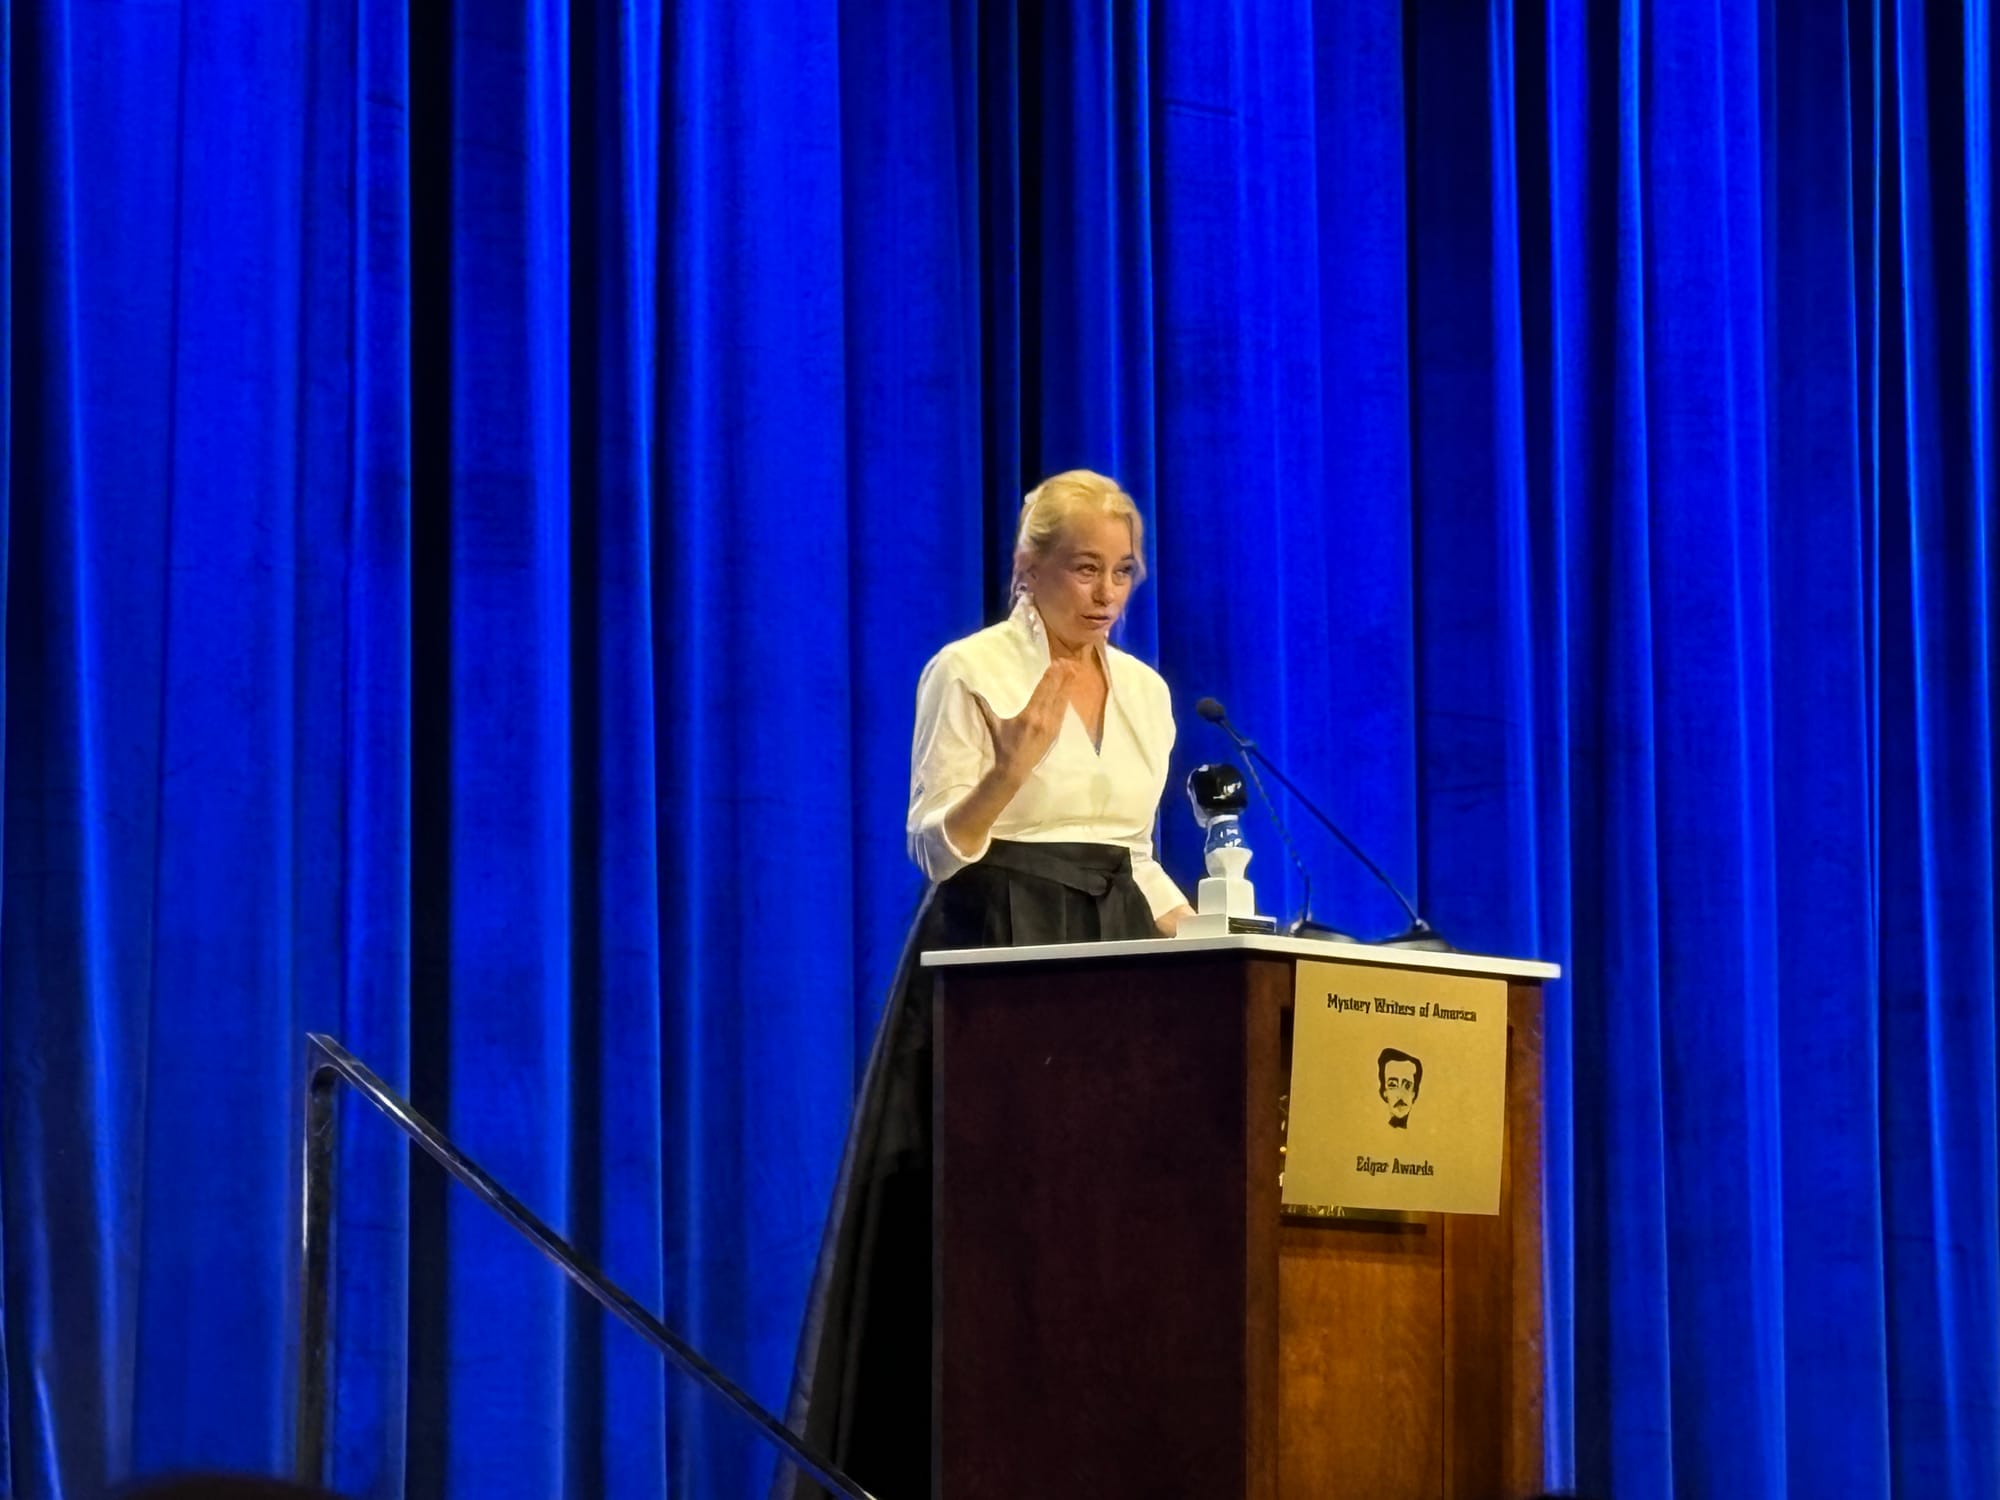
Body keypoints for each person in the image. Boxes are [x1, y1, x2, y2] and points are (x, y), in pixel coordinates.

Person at [777, 470, 1192, 1500]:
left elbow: (1133, 855)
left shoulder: (1144, 692)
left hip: (1116, 962)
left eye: (1121, 573)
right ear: (1028, 567)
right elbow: (935, 847)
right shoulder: (965, 670)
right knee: (990, 1227)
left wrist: (1215, 935)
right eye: (1083, 569)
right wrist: (1007, 774)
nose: (1103, 595)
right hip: (996, 948)